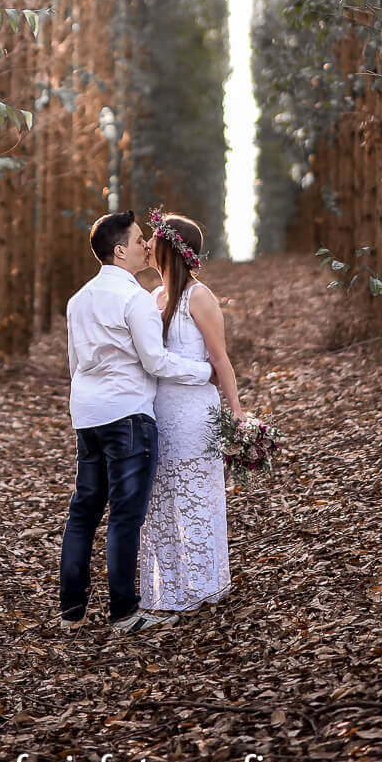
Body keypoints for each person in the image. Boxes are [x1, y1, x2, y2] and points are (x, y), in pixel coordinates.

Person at [59, 209, 214, 635]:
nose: (148, 244)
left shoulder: (78, 300)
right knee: (126, 516)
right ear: (121, 249)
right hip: (128, 415)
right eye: (140, 238)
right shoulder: (135, 298)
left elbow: (75, 364)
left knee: (84, 511)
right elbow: (156, 361)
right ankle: (124, 613)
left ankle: (71, 610)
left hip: (87, 414)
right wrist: (203, 372)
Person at [139, 211, 241, 614]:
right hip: (158, 410)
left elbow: (221, 361)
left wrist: (237, 418)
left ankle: (202, 584)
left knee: (195, 495)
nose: (146, 244)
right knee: (160, 497)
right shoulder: (153, 297)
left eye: (152, 239)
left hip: (195, 411)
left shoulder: (199, 297)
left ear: (168, 247)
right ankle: (168, 588)